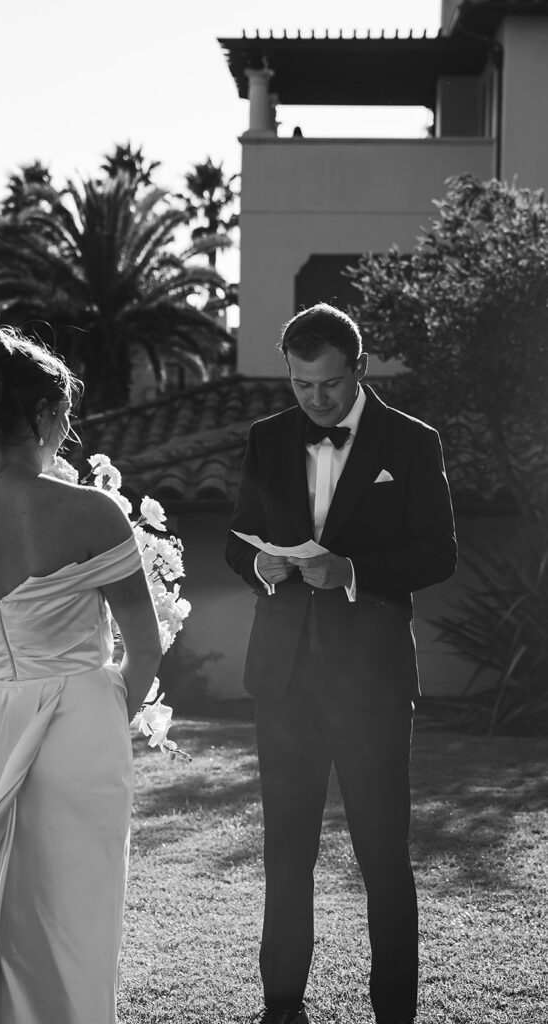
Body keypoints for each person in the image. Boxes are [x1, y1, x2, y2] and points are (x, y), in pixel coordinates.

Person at [0, 326, 162, 1024]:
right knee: (76, 920)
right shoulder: (91, 512)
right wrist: (101, 714)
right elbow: (146, 648)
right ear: (45, 415)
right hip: (79, 731)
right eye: (64, 413)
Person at [225, 303, 457, 1024]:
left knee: (384, 861)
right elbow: (236, 541)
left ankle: (394, 1012)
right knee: (285, 857)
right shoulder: (266, 439)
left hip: (374, 689)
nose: (315, 399)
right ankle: (281, 1006)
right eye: (301, 385)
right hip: (283, 682)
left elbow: (438, 553)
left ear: (359, 368)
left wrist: (353, 570)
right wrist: (261, 563)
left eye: (328, 384)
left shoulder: (412, 443)